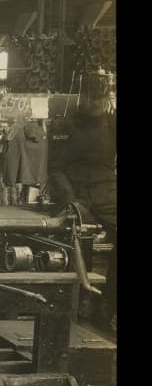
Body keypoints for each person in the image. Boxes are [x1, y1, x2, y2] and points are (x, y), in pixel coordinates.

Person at [47, 69, 116, 329]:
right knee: (76, 235)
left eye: (101, 98)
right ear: (82, 96)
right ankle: (79, 301)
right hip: (75, 190)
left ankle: (107, 304)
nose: (97, 103)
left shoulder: (112, 123)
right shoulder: (65, 125)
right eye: (92, 97)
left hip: (107, 190)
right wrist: (69, 199)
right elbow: (55, 168)